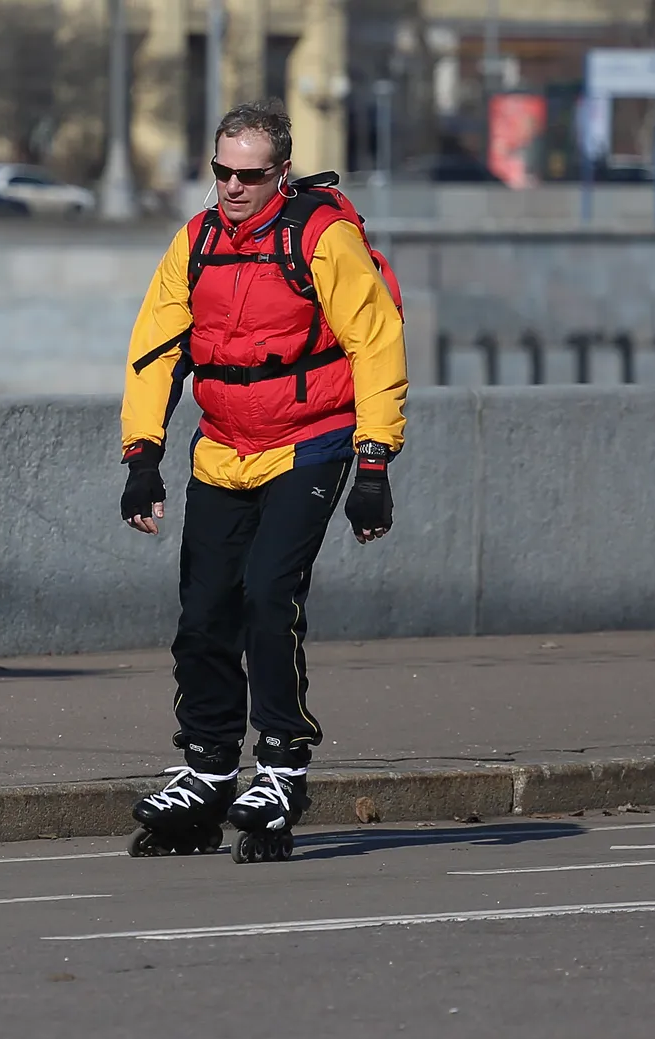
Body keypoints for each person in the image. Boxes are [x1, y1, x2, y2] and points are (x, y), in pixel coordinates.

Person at [117, 99, 408, 862]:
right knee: (204, 612)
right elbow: (155, 350)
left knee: (269, 598)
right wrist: (142, 456)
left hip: (311, 441)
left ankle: (280, 765)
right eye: (222, 172)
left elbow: (376, 343)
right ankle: (208, 767)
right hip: (223, 447)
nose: (233, 187)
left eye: (249, 175)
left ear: (281, 172)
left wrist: (374, 461)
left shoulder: (321, 237)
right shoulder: (196, 241)